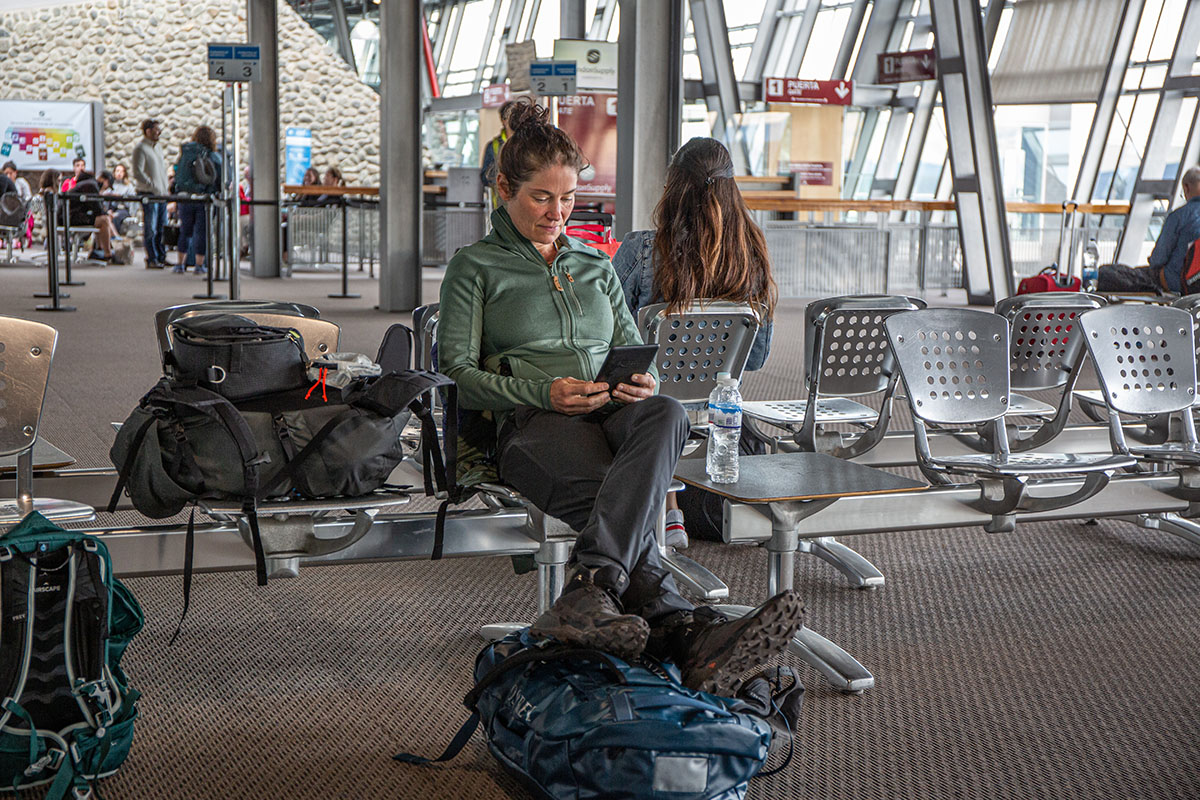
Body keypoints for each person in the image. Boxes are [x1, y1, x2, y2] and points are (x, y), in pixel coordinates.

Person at [438, 102, 803, 695]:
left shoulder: (593, 264)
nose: (558, 214)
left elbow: (636, 349)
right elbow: (454, 372)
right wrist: (542, 390)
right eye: (540, 198)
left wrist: (643, 382)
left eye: (567, 200)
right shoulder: (474, 268)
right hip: (534, 421)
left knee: (664, 412)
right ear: (504, 189)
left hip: (611, 410)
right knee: (614, 497)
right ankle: (689, 629)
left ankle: (591, 590)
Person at [611, 138, 778, 545]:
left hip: (646, 404)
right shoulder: (752, 256)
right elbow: (754, 358)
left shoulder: (641, 249)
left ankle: (667, 511)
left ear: (673, 186)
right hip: (715, 409)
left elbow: (607, 337)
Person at [173, 125, 222, 275]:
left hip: (184, 197)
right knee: (202, 232)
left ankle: (180, 263)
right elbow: (219, 176)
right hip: (204, 198)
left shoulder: (186, 152)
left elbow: (176, 171)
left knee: (185, 231)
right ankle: (199, 265)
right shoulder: (212, 156)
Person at [1149, 166, 1200, 293]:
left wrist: (1154, 262)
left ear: (1186, 188)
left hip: (1181, 282)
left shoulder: (1179, 216)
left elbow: (1159, 257)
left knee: (1116, 274)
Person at [132, 118, 170, 269]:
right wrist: (151, 185)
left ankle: (161, 255)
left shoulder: (158, 147)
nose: (159, 132)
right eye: (156, 129)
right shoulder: (140, 149)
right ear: (148, 131)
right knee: (151, 227)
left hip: (161, 193)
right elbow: (138, 172)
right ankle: (152, 257)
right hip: (149, 193)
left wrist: (164, 186)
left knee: (162, 226)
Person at [480, 99, 522, 208]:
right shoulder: (493, 146)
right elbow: (485, 178)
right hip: (501, 208)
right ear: (503, 120)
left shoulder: (527, 144)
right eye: (511, 116)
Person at [65, 170, 113, 261]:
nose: (105, 189)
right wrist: (106, 213)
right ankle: (107, 254)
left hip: (69, 215)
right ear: (105, 181)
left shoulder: (88, 183)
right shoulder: (91, 185)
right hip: (70, 217)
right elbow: (98, 209)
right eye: (107, 186)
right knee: (104, 220)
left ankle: (98, 250)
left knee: (102, 219)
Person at [2, 161, 33, 248]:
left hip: (20, 211)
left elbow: (28, 197)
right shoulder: (3, 183)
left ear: (15, 173)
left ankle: (18, 239)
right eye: (6, 173)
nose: (8, 176)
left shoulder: (21, 183)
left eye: (10, 173)